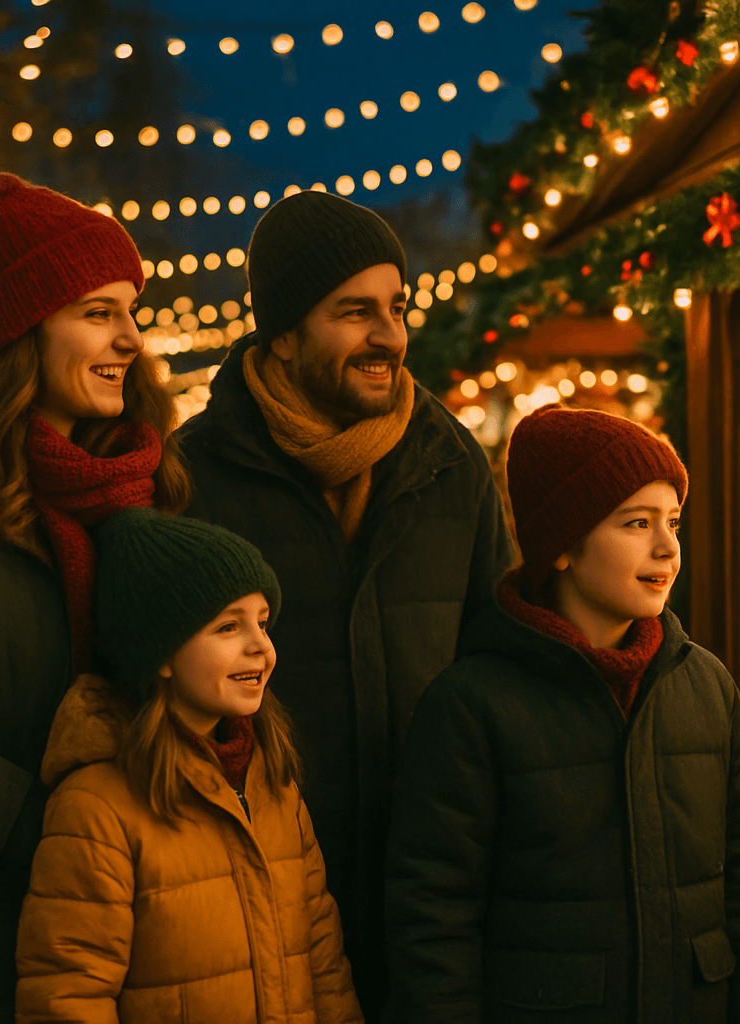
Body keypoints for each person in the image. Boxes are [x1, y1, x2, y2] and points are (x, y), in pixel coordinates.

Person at [178, 189, 513, 1015]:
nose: (389, 336)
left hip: (434, 897)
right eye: (353, 312)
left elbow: (499, 660)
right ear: (284, 334)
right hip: (261, 901)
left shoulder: (450, 463)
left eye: (396, 307)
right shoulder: (194, 477)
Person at [386, 405, 740, 1024]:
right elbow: (433, 916)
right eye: (637, 523)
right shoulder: (471, 705)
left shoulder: (705, 686)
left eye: (673, 523)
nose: (666, 547)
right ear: (563, 545)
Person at [0, 173, 188, 1024]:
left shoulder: (148, 484)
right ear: (24, 328)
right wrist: (37, 824)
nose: (130, 338)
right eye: (97, 312)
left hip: (136, 937)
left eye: (129, 310)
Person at [16, 509, 362, 1024]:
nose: (260, 646)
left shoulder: (275, 786)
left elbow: (325, 968)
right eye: (228, 626)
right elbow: (66, 1000)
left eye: (262, 622)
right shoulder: (96, 808)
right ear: (161, 654)